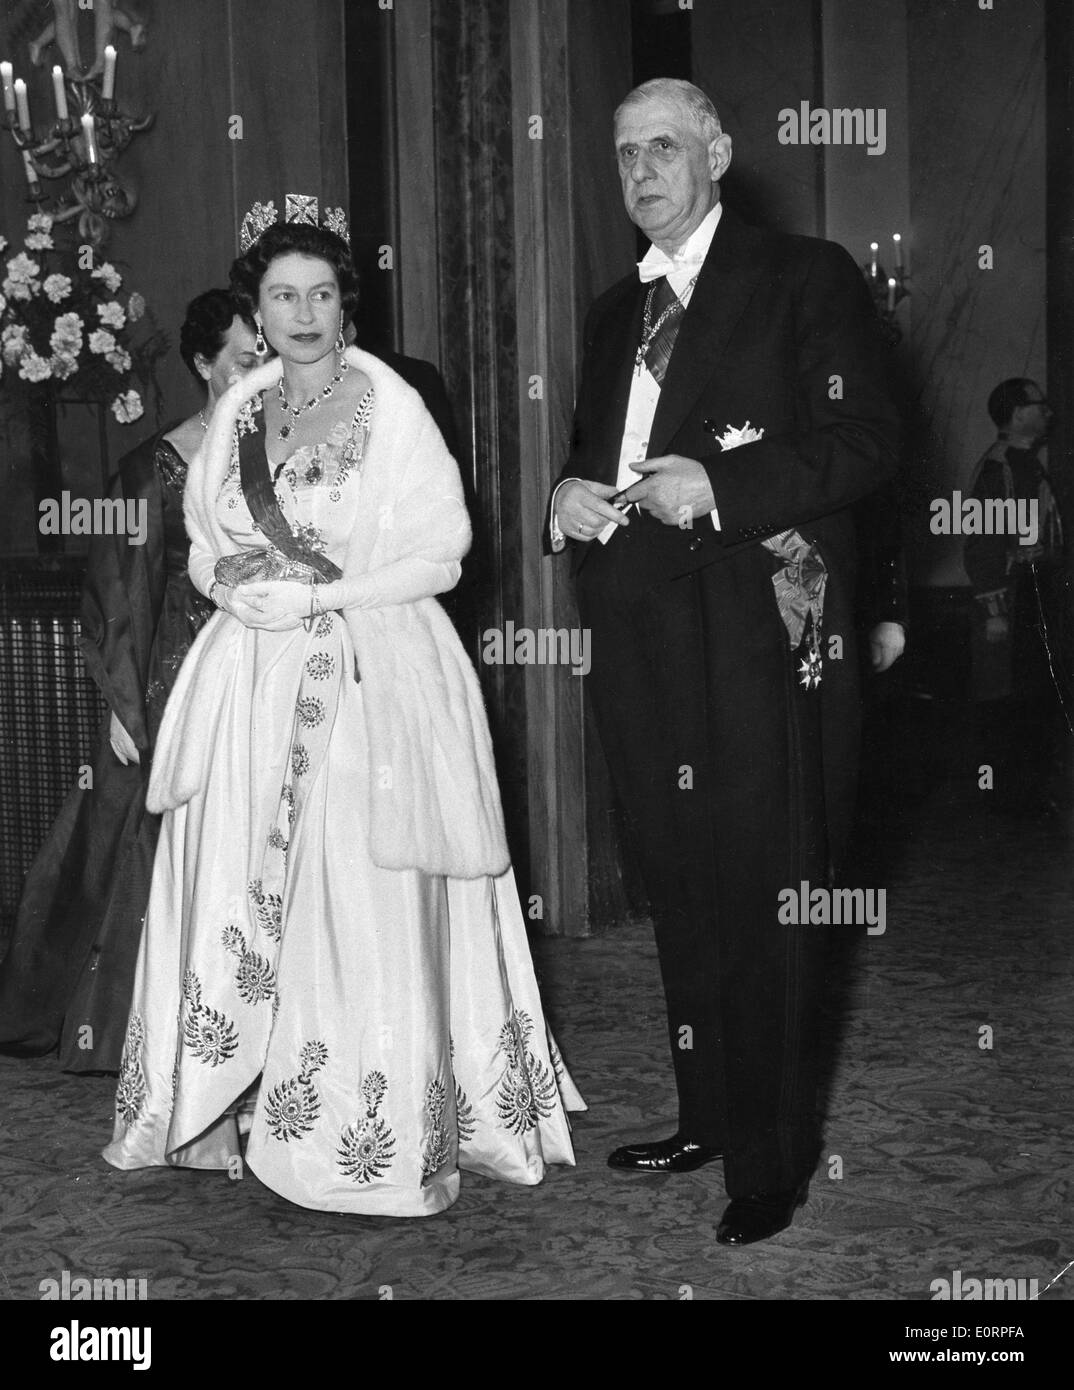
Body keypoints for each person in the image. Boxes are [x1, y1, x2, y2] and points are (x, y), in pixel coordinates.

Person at [103, 204, 582, 1216]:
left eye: (322, 293)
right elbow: (199, 538)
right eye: (283, 295)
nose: (304, 311)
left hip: (369, 674)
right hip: (250, 683)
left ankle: (359, 1125)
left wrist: (322, 595)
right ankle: (218, 1101)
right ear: (258, 311)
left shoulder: (393, 405)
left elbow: (441, 550)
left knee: (358, 893)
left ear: (344, 305)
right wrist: (232, 580)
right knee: (237, 885)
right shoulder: (239, 412)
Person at [550, 79, 899, 1244]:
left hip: (761, 634)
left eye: (664, 146)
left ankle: (771, 1157)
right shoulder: (614, 312)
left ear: (719, 155)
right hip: (643, 637)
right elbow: (593, 457)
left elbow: (866, 443)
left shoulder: (807, 278)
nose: (641, 170)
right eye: (622, 152)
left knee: (768, 893)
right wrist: (564, 496)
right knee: (685, 891)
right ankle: (706, 1115)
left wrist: (722, 487)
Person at [0, 289, 259, 1072]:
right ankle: (137, 1025)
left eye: (270, 357)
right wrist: (120, 702)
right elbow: (117, 592)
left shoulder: (287, 452)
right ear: (203, 364)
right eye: (246, 357)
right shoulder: (154, 467)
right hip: (175, 672)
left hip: (270, 663)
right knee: (144, 837)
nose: (260, 370)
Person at [965, 378, 1067, 815]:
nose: (1048, 412)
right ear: (1018, 413)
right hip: (1011, 597)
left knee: (1035, 695)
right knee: (1008, 700)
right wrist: (994, 610)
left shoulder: (1030, 463)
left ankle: (1031, 795)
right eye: (1039, 405)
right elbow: (982, 544)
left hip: (1037, 591)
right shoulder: (999, 468)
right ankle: (1008, 800)